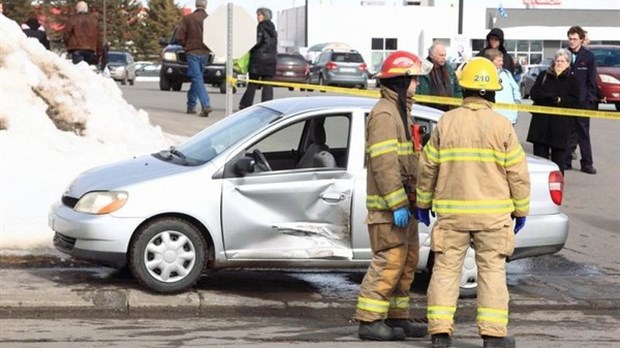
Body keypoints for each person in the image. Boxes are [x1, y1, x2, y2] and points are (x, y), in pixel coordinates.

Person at [416, 57, 530, 348]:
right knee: (492, 272)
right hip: (492, 217)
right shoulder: (501, 126)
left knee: (445, 270)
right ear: (492, 91)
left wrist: (423, 202)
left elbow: (428, 166)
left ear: (463, 89)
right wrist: (521, 209)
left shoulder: (447, 122)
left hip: (452, 216)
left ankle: (440, 332)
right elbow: (517, 172)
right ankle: (493, 336)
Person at [354, 50, 432, 341]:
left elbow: (407, 160)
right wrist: (398, 203)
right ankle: (369, 320)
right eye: (413, 80)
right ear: (401, 81)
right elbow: (384, 164)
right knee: (389, 262)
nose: (417, 85)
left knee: (406, 262)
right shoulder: (385, 114)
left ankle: (397, 317)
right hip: (389, 210)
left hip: (404, 207)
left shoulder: (401, 109)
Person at [526, 49, 579, 175]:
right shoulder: (544, 75)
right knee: (539, 160)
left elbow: (575, 101)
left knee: (558, 161)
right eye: (557, 60)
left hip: (560, 126)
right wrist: (548, 97)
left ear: (568, 63)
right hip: (541, 125)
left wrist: (560, 100)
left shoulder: (573, 79)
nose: (559, 63)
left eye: (562, 61)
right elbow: (534, 93)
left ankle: (557, 187)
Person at [564, 25, 597, 174]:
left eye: (575, 39)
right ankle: (565, 161)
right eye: (570, 39)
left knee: (583, 133)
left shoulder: (588, 57)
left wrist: (590, 99)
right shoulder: (565, 55)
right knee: (567, 132)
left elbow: (592, 80)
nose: (572, 42)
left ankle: (587, 163)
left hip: (582, 102)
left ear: (581, 40)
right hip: (567, 101)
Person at [176, 0, 213, 117]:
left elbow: (179, 36)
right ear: (205, 6)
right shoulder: (210, 19)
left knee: (197, 79)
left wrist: (186, 46)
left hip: (192, 52)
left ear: (196, 5)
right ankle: (191, 105)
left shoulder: (188, 19)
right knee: (197, 79)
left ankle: (205, 105)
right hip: (205, 53)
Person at [238, 7, 277, 110]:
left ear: (264, 16)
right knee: (268, 85)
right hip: (271, 60)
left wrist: (248, 45)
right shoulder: (273, 29)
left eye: (259, 15)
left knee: (252, 83)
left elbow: (257, 42)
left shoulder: (260, 27)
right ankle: (268, 106)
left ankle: (245, 104)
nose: (257, 17)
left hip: (258, 59)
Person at [416, 42, 462, 111]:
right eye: (441, 55)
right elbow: (415, 91)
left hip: (447, 110)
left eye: (444, 55)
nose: (444, 58)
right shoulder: (421, 69)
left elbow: (457, 91)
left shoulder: (450, 70)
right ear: (432, 55)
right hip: (426, 111)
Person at [483, 48, 521, 124]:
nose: (502, 63)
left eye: (502, 60)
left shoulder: (507, 74)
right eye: (499, 61)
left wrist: (516, 103)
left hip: (509, 117)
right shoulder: (484, 75)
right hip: (491, 118)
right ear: (490, 61)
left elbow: (516, 89)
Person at [63, 1, 102, 66]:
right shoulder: (94, 21)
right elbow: (99, 37)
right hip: (90, 49)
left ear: (77, 9)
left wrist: (68, 45)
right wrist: (99, 51)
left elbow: (66, 34)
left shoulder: (72, 19)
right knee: (88, 71)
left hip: (76, 48)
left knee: (79, 70)